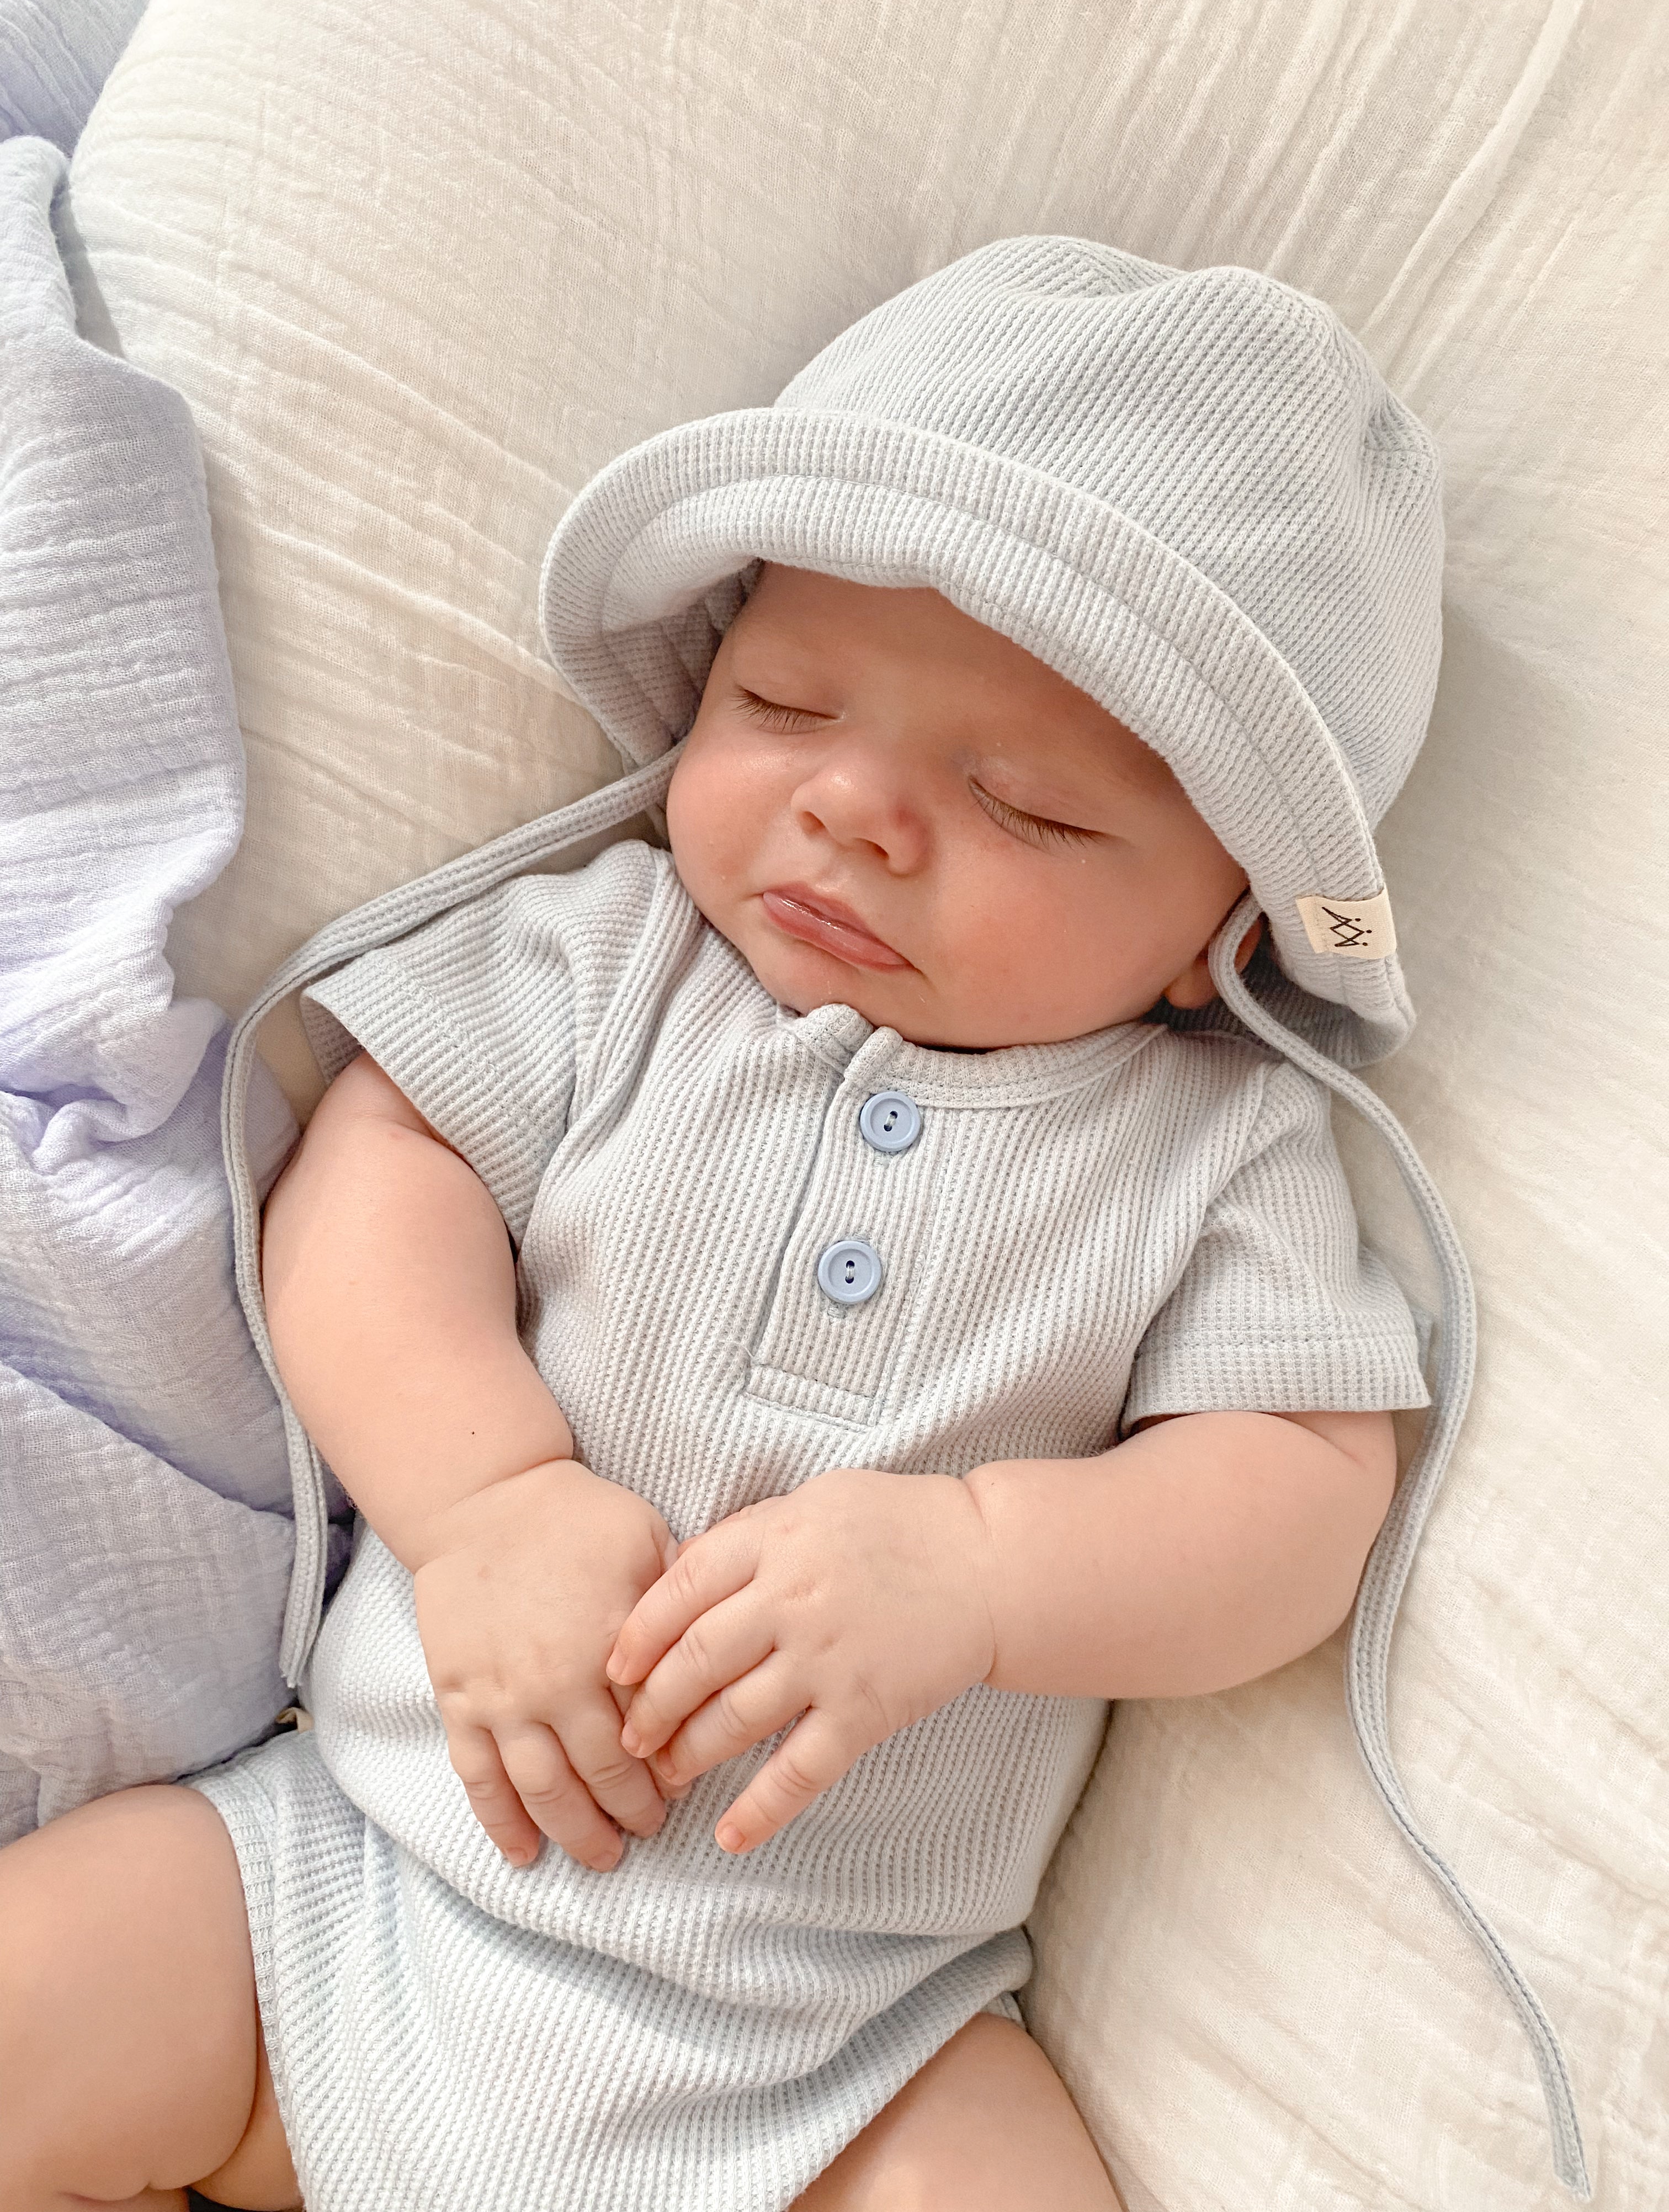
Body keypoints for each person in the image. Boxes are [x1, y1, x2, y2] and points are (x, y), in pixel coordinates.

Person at [0, 240, 1585, 2211]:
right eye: (783, 700)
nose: (855, 810)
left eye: (1028, 805)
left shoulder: (1213, 1150)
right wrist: (483, 1504)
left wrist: (986, 1571)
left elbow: (1299, 1498)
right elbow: (370, 1185)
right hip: (349, 1893)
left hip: (830, 2053)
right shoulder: (610, 961)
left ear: (1229, 933)